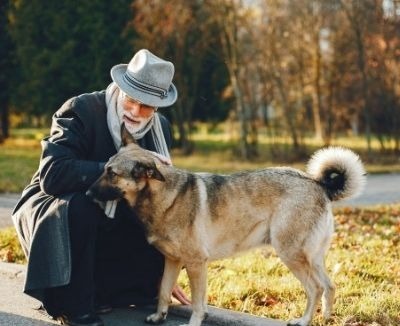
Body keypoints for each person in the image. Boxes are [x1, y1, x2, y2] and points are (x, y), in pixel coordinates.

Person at [12, 49, 190, 326]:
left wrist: (167, 272)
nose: (135, 111)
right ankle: (75, 306)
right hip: (60, 202)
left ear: (157, 107)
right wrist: (119, 168)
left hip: (115, 211)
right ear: (121, 88)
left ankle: (119, 289)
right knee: (84, 205)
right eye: (131, 100)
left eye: (146, 107)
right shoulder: (81, 109)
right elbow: (52, 175)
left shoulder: (161, 130)